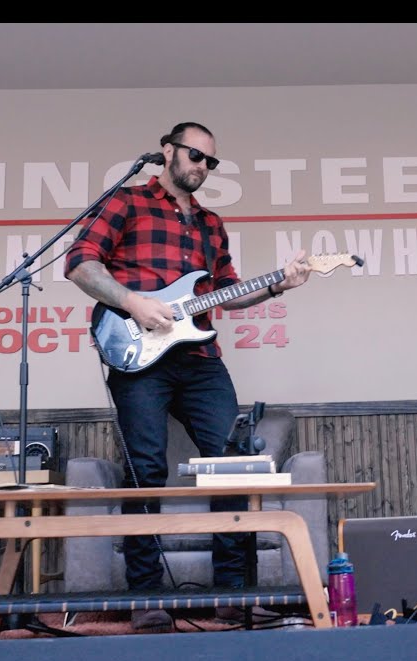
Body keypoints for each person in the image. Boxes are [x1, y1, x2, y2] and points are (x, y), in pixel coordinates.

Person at [64, 121, 313, 633]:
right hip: (138, 353)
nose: (202, 166)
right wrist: (132, 301)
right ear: (168, 152)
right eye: (195, 155)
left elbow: (225, 289)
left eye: (211, 161)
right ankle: (146, 596)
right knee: (146, 469)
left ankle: (232, 593)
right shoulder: (128, 202)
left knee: (235, 463)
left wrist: (277, 286)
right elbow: (80, 263)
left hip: (198, 358)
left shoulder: (210, 223)